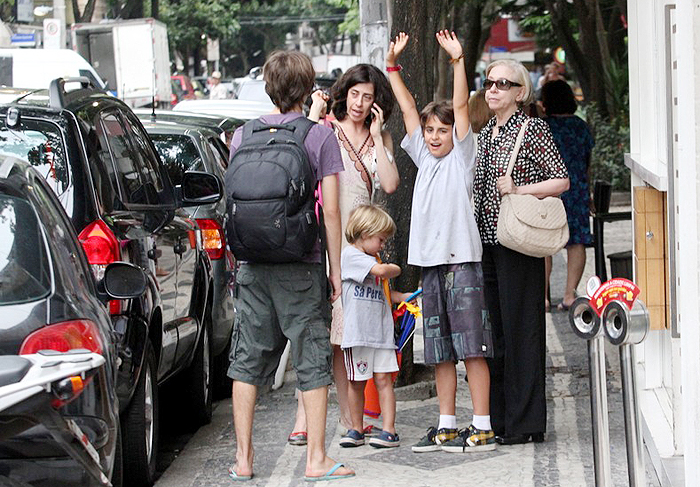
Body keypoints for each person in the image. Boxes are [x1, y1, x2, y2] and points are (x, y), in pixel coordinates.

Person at [226, 50, 354, 482]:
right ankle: (316, 458)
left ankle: (244, 460)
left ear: (268, 87)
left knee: (246, 362)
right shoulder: (318, 137)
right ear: (307, 88)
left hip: (252, 264)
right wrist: (336, 271)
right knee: (312, 358)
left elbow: (235, 204)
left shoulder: (241, 137)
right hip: (302, 264)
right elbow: (331, 213)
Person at [387, 30, 496, 454]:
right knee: (440, 352)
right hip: (430, 265)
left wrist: (457, 61)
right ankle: (447, 424)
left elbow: (460, 106)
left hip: (462, 262)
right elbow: (408, 107)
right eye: (430, 131)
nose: (433, 136)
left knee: (473, 348)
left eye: (442, 130)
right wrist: (392, 65)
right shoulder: (420, 155)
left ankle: (482, 424)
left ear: (456, 134)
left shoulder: (462, 157)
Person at [289, 63, 399, 445]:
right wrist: (314, 116)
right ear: (344, 93)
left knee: (343, 336)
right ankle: (304, 418)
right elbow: (299, 165)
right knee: (317, 332)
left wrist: (379, 134)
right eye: (354, 94)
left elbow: (389, 183)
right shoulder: (326, 131)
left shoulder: (375, 137)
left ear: (376, 103)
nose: (359, 102)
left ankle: (346, 418)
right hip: (324, 242)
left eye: (368, 97)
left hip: (360, 248)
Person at [474, 59, 569, 445]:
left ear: (520, 91)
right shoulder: (484, 134)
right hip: (486, 244)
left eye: (503, 83)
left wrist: (518, 190)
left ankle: (525, 422)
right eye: (489, 82)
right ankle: (498, 419)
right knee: (494, 333)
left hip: (518, 241)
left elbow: (561, 180)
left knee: (522, 331)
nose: (493, 89)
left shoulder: (531, 129)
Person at [338, 205, 412, 449]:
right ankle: (355, 428)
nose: (382, 245)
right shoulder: (351, 256)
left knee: (384, 381)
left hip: (381, 335)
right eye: (381, 239)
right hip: (358, 335)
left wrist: (403, 297)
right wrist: (396, 268)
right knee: (356, 382)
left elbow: (384, 293)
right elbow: (383, 272)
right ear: (364, 233)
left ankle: (389, 429)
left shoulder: (373, 260)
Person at [541, 79, 595, 311]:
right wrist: (589, 191)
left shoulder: (542, 127)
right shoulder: (581, 127)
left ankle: (542, 296)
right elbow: (587, 163)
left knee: (543, 244)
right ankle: (569, 294)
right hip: (576, 190)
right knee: (576, 242)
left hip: (546, 191)